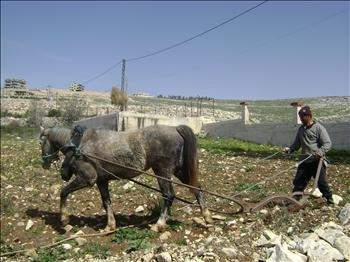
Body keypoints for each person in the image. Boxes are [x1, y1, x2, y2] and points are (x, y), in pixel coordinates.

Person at [283, 106, 334, 204]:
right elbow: (296, 144)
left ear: (309, 116)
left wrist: (320, 152)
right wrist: (289, 150)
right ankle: (295, 199)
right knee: (298, 181)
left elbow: (327, 143)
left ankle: (329, 199)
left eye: (303, 117)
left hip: (317, 161)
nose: (301, 119)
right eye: (300, 117)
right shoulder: (301, 129)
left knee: (321, 182)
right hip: (304, 160)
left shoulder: (318, 128)